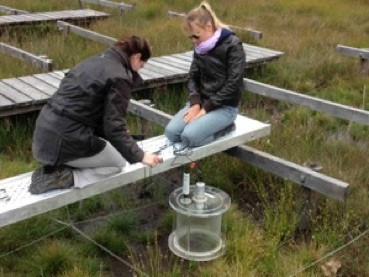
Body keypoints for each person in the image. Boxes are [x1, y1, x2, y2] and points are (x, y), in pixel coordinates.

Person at [30, 35, 163, 194]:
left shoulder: (95, 60)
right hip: (66, 139)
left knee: (108, 146)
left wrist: (116, 135)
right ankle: (66, 177)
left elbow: (85, 109)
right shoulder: (120, 77)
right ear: (137, 57)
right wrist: (141, 156)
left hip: (44, 132)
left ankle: (58, 168)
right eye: (141, 66)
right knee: (117, 163)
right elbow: (114, 127)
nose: (138, 70)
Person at [164, 1, 245, 151]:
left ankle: (226, 128)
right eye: (191, 38)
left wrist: (206, 108)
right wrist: (195, 103)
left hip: (225, 106)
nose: (194, 41)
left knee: (189, 137)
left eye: (196, 36)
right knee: (171, 133)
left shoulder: (233, 45)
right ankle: (202, 122)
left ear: (208, 27)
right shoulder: (200, 47)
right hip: (202, 102)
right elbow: (193, 75)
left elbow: (233, 84)